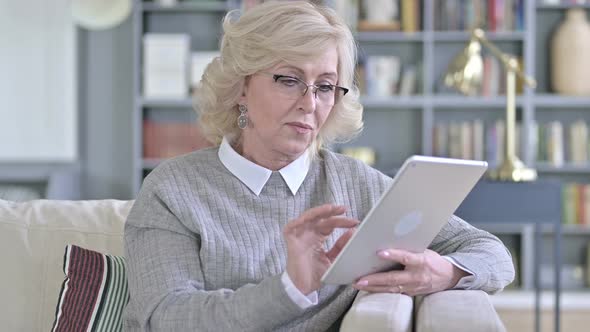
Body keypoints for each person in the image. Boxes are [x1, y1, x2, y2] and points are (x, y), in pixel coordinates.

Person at [123, 1, 515, 331]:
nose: (309, 104)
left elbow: (489, 251)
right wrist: (290, 289)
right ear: (241, 87)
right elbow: (166, 317)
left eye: (325, 86)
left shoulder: (355, 184)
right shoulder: (172, 191)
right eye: (288, 79)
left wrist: (446, 272)